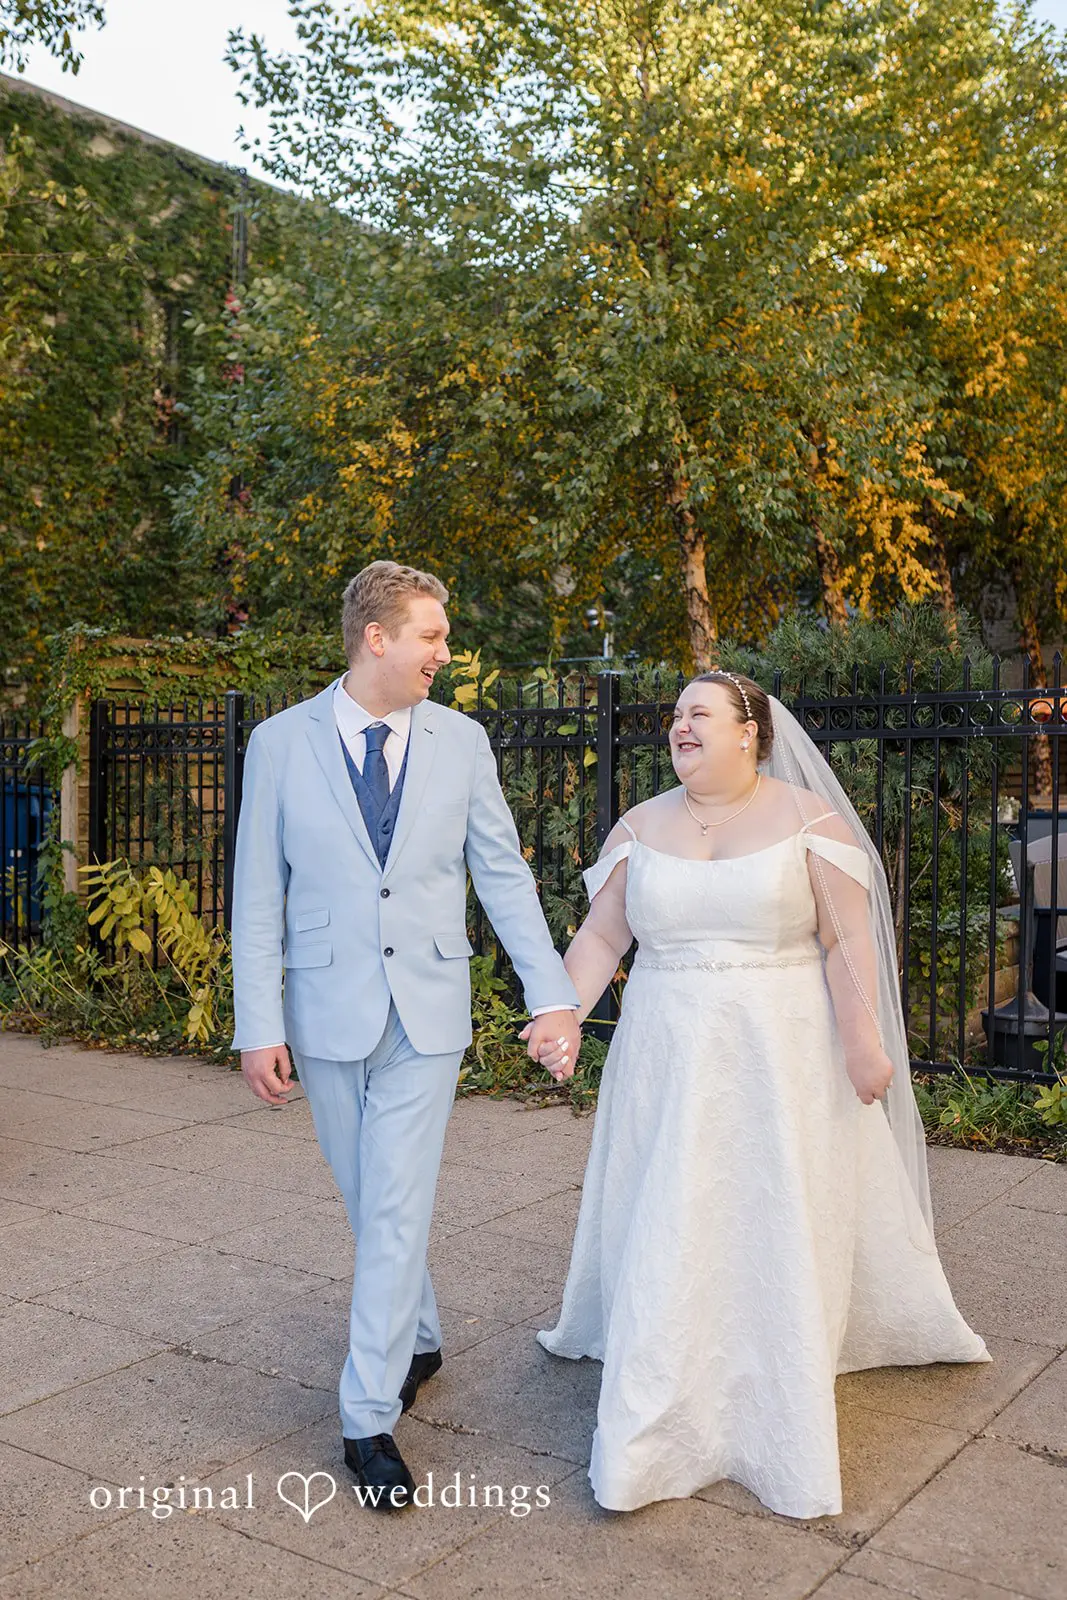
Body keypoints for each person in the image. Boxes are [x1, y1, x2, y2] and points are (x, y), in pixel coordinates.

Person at [533, 670, 990, 1520]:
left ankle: (770, 1356)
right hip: (667, 1051)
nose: (679, 725)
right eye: (673, 715)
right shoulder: (639, 826)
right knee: (676, 1205)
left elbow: (844, 939)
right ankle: (664, 1380)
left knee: (766, 1201)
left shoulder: (805, 820)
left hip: (778, 1050)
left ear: (750, 731)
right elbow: (602, 935)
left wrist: (864, 1042)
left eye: (697, 713)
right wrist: (561, 1017)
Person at [230, 560, 581, 1511]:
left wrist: (551, 997)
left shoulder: (462, 742)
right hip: (325, 1009)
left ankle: (365, 1415)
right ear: (375, 637)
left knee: (391, 1205)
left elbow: (502, 876)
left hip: (428, 1012)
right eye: (430, 635)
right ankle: (419, 1331)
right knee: (367, 1199)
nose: (444, 651)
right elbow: (257, 893)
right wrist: (257, 1022)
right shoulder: (278, 742)